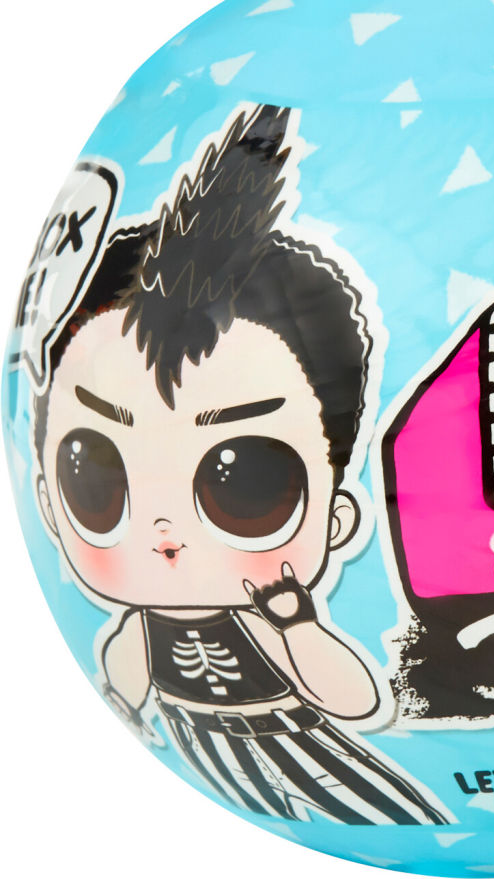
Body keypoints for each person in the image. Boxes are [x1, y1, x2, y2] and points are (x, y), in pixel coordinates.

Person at [30, 103, 450, 826]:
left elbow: (354, 701)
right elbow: (124, 678)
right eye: (94, 476)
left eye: (247, 485)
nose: (163, 533)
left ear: (337, 517)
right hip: (204, 754)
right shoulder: (146, 622)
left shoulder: (268, 621)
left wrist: (299, 629)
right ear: (47, 496)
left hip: (304, 759)